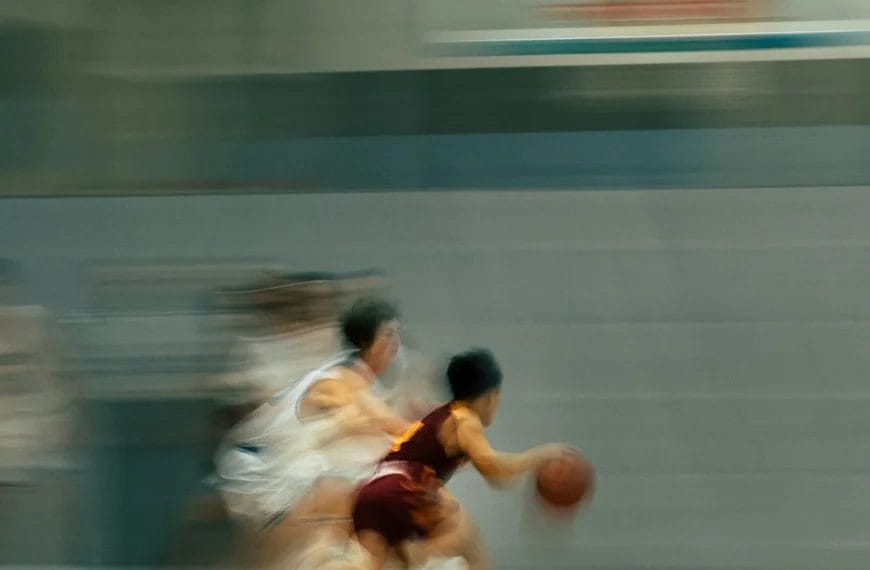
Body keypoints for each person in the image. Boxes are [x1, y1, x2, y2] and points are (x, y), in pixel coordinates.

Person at [214, 296, 413, 568]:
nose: (396, 343)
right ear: (367, 342)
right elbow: (392, 425)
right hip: (260, 474)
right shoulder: (344, 379)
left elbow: (385, 432)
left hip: (275, 472)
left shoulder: (355, 380)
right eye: (388, 334)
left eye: (396, 333)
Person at [351, 348, 572, 569]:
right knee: (468, 542)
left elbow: (496, 476)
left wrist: (530, 489)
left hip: (370, 492)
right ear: (489, 397)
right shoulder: (465, 420)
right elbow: (492, 466)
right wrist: (540, 455)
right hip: (401, 488)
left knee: (386, 564)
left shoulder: (443, 417)